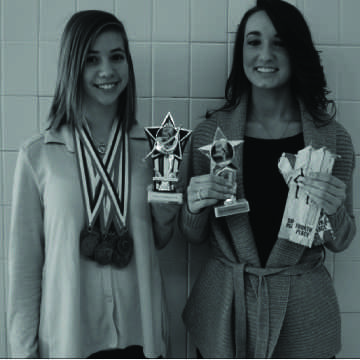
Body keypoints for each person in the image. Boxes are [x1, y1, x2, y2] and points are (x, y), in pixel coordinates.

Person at [176, 0, 356, 358]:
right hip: (225, 314)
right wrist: (193, 207)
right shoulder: (209, 136)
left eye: (279, 42)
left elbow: (342, 240)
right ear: (240, 51)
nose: (265, 54)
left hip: (304, 317)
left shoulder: (332, 139)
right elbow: (192, 235)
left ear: (296, 51)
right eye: (254, 41)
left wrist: (334, 211)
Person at [8, 10, 169, 358]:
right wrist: (23, 352)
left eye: (117, 57)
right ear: (72, 66)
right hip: (69, 339)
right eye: (91, 60)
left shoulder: (152, 150)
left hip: (139, 338)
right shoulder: (39, 155)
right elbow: (24, 267)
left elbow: (159, 239)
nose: (107, 71)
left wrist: (170, 214)